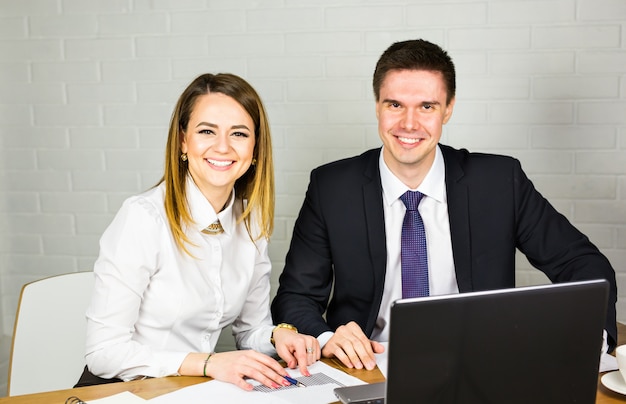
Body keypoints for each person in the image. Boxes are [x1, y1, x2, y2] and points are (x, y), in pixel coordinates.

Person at [271, 39, 617, 372]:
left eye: (426, 106)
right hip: (368, 367)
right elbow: (296, 296)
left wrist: (586, 338)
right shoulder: (332, 187)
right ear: (377, 105)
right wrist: (328, 338)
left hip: (480, 365)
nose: (409, 124)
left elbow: (583, 264)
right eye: (395, 105)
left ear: (448, 109)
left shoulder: (498, 182)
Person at [78, 73, 320, 391]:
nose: (222, 147)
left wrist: (279, 335)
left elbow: (250, 331)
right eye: (207, 131)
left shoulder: (251, 222)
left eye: (239, 134)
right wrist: (208, 363)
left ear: (255, 147)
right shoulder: (143, 218)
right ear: (183, 140)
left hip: (193, 389)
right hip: (124, 390)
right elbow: (104, 354)